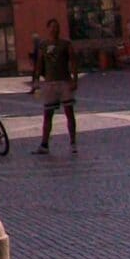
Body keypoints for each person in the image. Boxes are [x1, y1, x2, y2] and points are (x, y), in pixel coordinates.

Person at [30, 16, 79, 156]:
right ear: (48, 29)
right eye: (52, 27)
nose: (55, 29)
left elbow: (73, 62)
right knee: (48, 114)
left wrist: (75, 80)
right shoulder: (43, 45)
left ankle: (73, 142)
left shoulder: (65, 44)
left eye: (57, 27)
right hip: (50, 83)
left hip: (64, 82)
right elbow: (39, 63)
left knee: (69, 112)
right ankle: (44, 144)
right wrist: (37, 81)